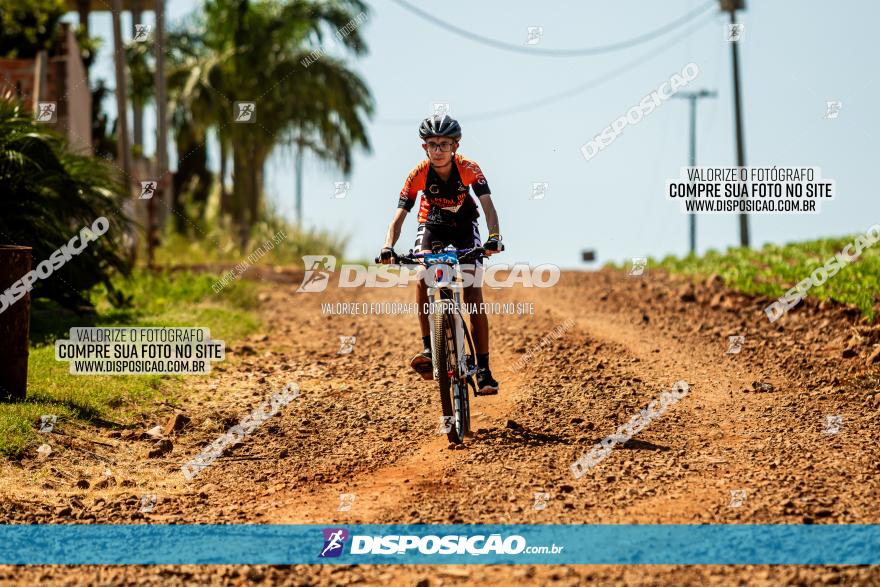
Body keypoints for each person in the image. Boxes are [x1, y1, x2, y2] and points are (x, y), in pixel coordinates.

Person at [378, 114, 503, 394]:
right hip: (432, 224)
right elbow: (398, 217)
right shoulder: (418, 173)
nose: (438, 150)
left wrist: (494, 238)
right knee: (423, 276)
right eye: (432, 144)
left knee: (473, 294)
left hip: (464, 225)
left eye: (444, 144)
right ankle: (428, 348)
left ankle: (483, 369)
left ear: (455, 146)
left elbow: (488, 207)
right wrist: (388, 246)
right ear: (424, 148)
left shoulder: (469, 168)